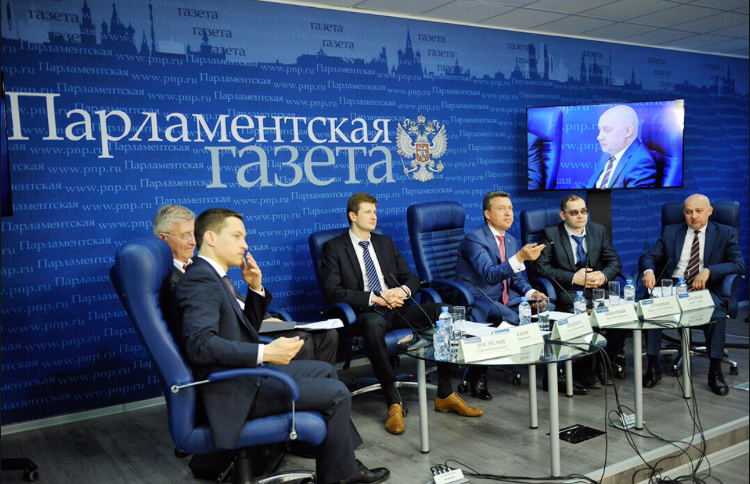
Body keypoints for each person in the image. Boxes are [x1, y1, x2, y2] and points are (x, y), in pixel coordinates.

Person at [175, 208, 389, 484]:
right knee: (337, 393)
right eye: (237, 236)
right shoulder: (200, 280)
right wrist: (265, 352)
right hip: (232, 392)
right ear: (210, 238)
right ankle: (339, 477)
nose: (245, 244)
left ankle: (344, 465)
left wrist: (255, 289)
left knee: (324, 371)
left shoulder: (211, 276)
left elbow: (241, 330)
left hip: (242, 379)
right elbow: (200, 345)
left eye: (244, 237)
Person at [321, 193, 483, 435]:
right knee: (373, 324)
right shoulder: (334, 248)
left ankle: (445, 393)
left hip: (397, 308)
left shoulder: (384, 242)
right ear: (352, 216)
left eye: (375, 212)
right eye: (368, 212)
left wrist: (402, 291)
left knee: (445, 313)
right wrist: (376, 297)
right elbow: (332, 292)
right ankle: (393, 401)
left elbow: (411, 278)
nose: (374, 216)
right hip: (364, 314)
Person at [153, 204, 337, 365]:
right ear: (163, 238)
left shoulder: (201, 265)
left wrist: (256, 291)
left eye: (193, 234)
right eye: (185, 236)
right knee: (302, 343)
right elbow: (206, 337)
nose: (193, 242)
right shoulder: (178, 279)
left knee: (327, 336)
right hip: (235, 343)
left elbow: (236, 302)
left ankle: (314, 387)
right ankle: (298, 389)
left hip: (250, 326)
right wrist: (262, 336)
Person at [639, 194, 745, 396]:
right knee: (652, 307)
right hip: (672, 287)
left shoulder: (724, 232)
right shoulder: (671, 231)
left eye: (698, 211)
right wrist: (649, 270)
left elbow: (739, 264)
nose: (693, 216)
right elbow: (649, 256)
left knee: (716, 311)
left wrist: (709, 271)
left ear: (710, 211)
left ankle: (715, 372)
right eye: (688, 212)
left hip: (704, 289)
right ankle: (653, 365)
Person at [456, 191, 548, 399]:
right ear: (487, 214)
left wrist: (532, 293)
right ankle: (477, 375)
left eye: (510, 209)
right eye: (501, 209)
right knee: (512, 318)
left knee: (544, 309)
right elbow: (490, 275)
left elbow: (516, 279)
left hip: (506, 297)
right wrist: (520, 257)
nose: (508, 214)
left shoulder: (511, 240)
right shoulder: (474, 239)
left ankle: (553, 374)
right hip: (479, 299)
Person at [535, 194, 627, 389]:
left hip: (596, 289)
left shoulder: (598, 230)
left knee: (623, 317)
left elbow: (614, 262)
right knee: (586, 319)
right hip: (568, 291)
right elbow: (540, 267)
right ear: (563, 215)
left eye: (584, 211)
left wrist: (603, 276)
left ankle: (603, 364)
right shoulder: (551, 234)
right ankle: (583, 371)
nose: (580, 216)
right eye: (574, 212)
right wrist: (573, 277)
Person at [586, 105, 656, 189]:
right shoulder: (609, 152)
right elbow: (589, 186)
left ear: (628, 131)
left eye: (607, 129)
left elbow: (631, 197)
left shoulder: (642, 162)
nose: (599, 137)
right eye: (600, 130)